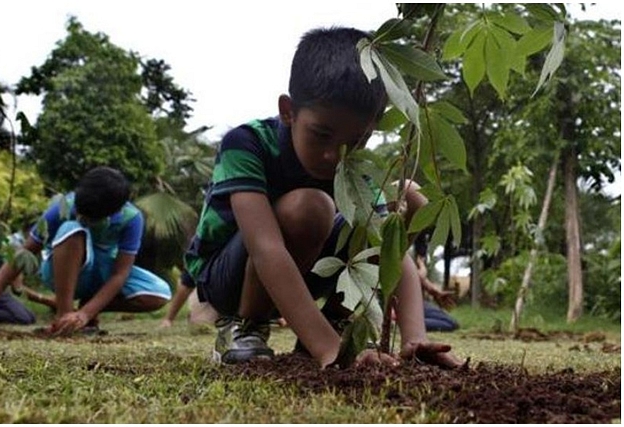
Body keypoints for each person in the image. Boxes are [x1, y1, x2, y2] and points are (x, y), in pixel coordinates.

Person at [183, 27, 462, 369]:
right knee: (311, 208)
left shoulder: (354, 166)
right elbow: (266, 249)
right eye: (321, 135)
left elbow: (385, 245)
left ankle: (330, 324)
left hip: (303, 275)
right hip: (230, 279)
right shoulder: (248, 143)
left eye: (356, 141)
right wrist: (330, 351)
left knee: (412, 199)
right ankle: (246, 327)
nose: (334, 156)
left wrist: (415, 337)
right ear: (289, 111)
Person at [0, 166, 172, 335]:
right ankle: (64, 315)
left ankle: (85, 309)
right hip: (60, 271)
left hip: (102, 273)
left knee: (159, 294)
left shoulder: (131, 219)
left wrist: (86, 312)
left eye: (89, 218)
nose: (82, 217)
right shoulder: (65, 205)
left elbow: (120, 274)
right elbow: (25, 251)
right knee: (72, 230)